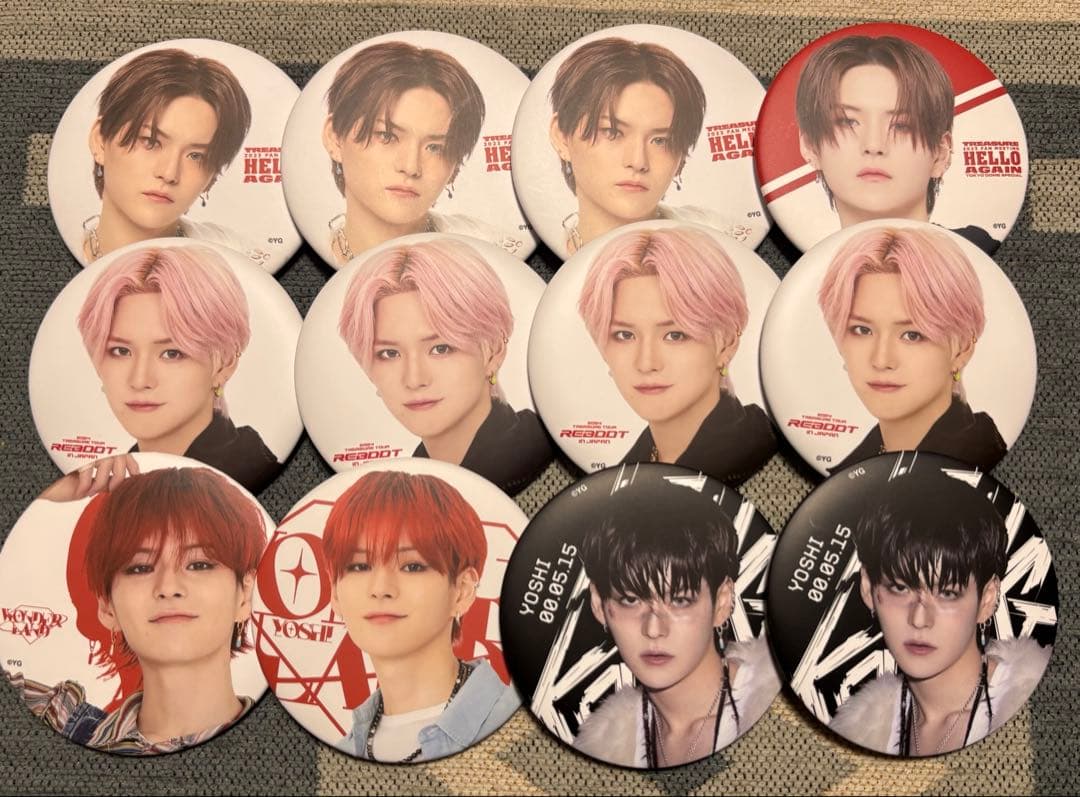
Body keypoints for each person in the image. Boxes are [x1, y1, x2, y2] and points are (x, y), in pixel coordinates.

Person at [10, 465, 266, 755]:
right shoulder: (54, 717)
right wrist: (50, 488)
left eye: (199, 564)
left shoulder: (280, 746)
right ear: (107, 607)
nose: (168, 587)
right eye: (140, 568)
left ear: (245, 594)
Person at [830, 474, 1051, 756]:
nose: (919, 619)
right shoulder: (856, 737)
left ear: (987, 599)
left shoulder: (1044, 711)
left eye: (947, 593)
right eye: (900, 588)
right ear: (867, 588)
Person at [572, 484, 777, 768]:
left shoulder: (778, 705)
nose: (654, 629)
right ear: (598, 603)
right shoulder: (600, 754)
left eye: (680, 601)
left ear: (722, 602)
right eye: (631, 600)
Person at [322, 469, 519, 762]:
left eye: (412, 566)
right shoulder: (342, 752)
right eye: (359, 566)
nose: (380, 589)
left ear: (462, 590)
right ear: (335, 593)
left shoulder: (520, 718)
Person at [338, 238, 553, 493]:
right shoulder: (408, 481)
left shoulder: (535, 443)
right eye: (389, 353)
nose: (415, 379)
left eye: (440, 349)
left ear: (494, 351)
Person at [577, 226, 776, 483]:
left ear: (726, 343)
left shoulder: (755, 446)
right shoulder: (626, 470)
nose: (646, 363)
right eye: (625, 335)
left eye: (675, 335)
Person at [76, 245, 280, 492]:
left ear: (225, 364)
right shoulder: (109, 484)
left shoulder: (248, 473)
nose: (140, 380)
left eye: (172, 354)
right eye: (120, 351)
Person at [817, 226, 1005, 473]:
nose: (881, 360)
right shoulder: (853, 469)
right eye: (862, 330)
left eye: (912, 335)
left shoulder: (974, 463)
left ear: (963, 349)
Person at [795, 34, 998, 254]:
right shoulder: (806, 264)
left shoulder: (975, 251)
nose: (874, 145)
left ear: (941, 154)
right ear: (810, 146)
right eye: (847, 122)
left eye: (901, 125)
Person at [322, 41, 522, 263]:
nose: (411, 167)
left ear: (455, 165)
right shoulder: (318, 247)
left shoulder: (492, 251)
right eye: (387, 136)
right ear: (334, 138)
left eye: (435, 148)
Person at [548, 38, 750, 254]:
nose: (638, 162)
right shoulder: (549, 246)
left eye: (660, 140)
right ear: (561, 136)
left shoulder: (724, 239)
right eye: (612, 132)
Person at [84, 48, 267, 265]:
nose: (169, 173)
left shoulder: (240, 260)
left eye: (196, 156)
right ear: (100, 140)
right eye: (151, 142)